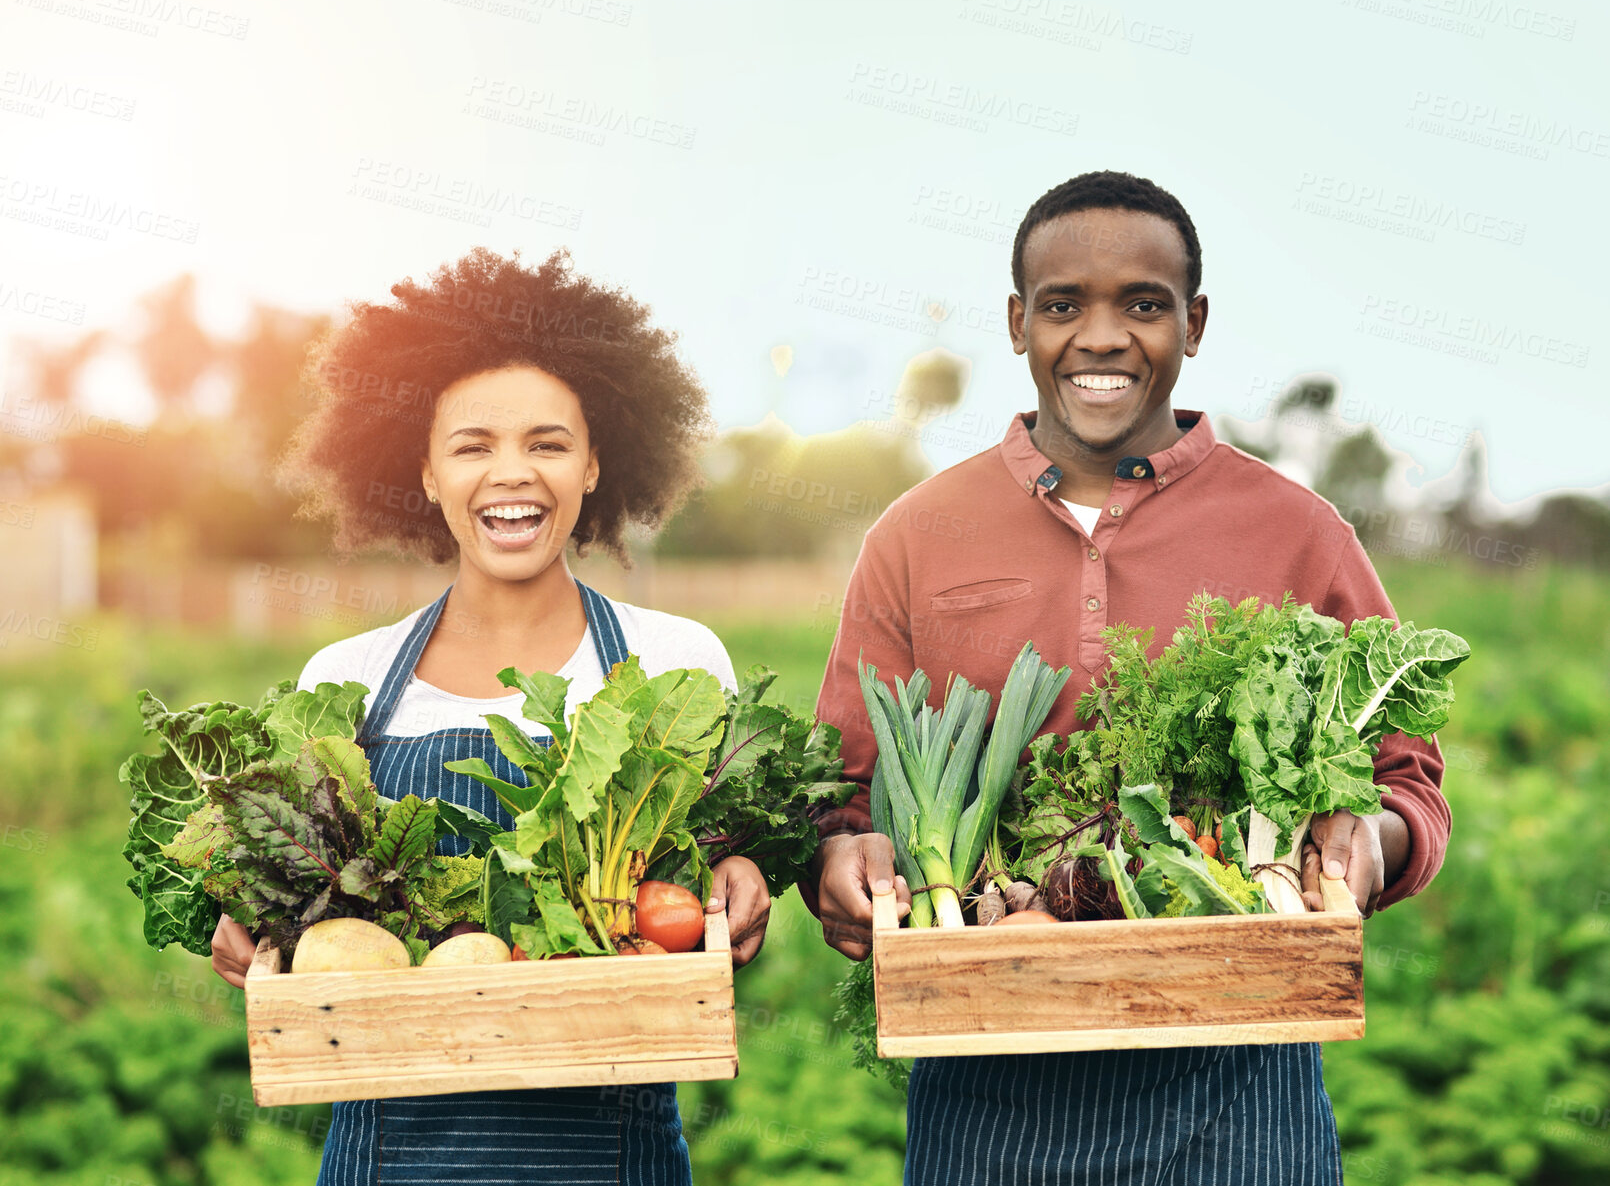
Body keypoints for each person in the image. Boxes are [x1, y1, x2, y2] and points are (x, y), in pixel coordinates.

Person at [809, 171, 1450, 1183]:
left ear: (1191, 323)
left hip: (1241, 1067)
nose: (1100, 338)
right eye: (1063, 305)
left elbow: (1407, 777)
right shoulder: (914, 536)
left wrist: (1369, 839)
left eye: (1142, 304)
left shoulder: (1295, 531)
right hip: (991, 1070)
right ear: (1017, 322)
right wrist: (841, 860)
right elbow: (841, 790)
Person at [209, 247, 771, 1186]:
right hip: (389, 1161)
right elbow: (309, 929)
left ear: (597, 463)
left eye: (548, 443)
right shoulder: (346, 678)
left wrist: (743, 881)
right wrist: (257, 919)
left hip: (616, 1158)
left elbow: (714, 885)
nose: (513, 474)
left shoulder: (678, 662)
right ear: (423, 471)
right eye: (472, 445)